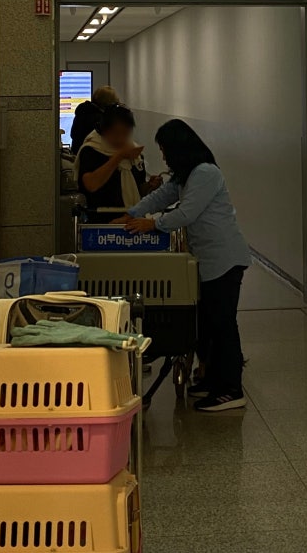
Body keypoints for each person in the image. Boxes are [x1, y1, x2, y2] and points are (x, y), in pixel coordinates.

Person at [113, 119, 250, 413]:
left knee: (223, 324)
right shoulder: (187, 176)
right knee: (209, 324)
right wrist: (132, 214)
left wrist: (152, 224)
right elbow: (161, 196)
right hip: (209, 261)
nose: (163, 156)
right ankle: (213, 381)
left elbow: (187, 213)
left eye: (165, 150)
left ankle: (231, 389)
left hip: (225, 259)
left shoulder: (205, 173)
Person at [77, 104, 160, 212]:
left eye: (125, 133)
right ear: (104, 130)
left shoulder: (134, 153)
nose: (121, 139)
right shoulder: (92, 150)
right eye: (115, 133)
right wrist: (118, 157)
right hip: (101, 216)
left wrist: (149, 186)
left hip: (131, 216)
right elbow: (91, 185)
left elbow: (138, 189)